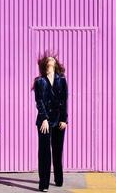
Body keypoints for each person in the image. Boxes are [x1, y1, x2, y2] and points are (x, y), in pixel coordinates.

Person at [31, 50, 68, 192]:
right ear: (45, 64)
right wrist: (44, 119)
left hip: (59, 120)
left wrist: (64, 119)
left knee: (58, 151)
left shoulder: (62, 80)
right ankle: (44, 184)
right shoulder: (39, 81)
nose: (51, 59)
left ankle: (59, 179)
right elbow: (39, 102)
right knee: (44, 152)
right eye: (48, 59)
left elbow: (64, 101)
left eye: (53, 58)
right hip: (44, 121)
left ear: (55, 63)